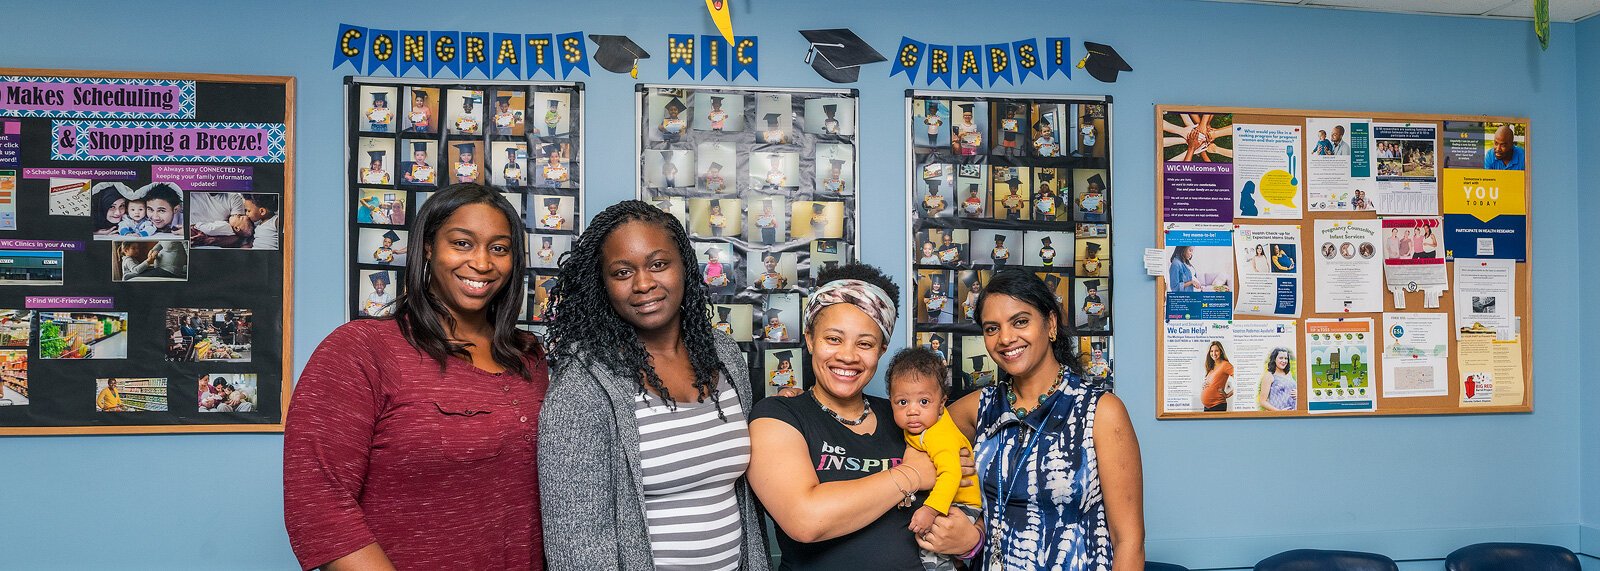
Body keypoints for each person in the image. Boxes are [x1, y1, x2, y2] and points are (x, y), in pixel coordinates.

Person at [285, 183, 549, 571]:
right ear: (427, 246)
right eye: (461, 243)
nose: (482, 263)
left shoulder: (529, 356)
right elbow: (319, 505)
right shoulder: (362, 349)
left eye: (499, 248)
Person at [539, 200, 768, 571]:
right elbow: (576, 543)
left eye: (659, 264)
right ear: (603, 285)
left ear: (685, 268)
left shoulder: (722, 354)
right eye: (622, 272)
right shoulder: (582, 386)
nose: (644, 283)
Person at [748, 263, 979, 570]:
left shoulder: (906, 416)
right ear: (810, 339)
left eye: (865, 343)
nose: (848, 355)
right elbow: (806, 519)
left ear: (882, 350)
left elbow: (967, 471)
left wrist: (972, 542)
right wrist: (912, 475)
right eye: (833, 339)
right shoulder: (779, 415)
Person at [945, 269, 1144, 569]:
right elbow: (919, 446)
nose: (1006, 338)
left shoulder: (1100, 411)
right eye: (991, 328)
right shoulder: (978, 409)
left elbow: (1128, 541)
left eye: (1020, 321)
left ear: (1050, 324)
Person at [886, 348, 983, 571]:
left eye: (923, 402)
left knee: (930, 546)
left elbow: (951, 474)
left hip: (963, 503)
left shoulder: (939, 435)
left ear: (941, 404)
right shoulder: (920, 426)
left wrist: (930, 510)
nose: (912, 411)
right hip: (947, 499)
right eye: (902, 402)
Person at [1201, 341, 1233, 412]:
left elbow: (1241, 380)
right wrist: (1204, 385)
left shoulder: (1225, 365)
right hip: (1207, 407)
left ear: (1221, 352)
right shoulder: (1212, 365)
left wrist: (1227, 395)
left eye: (1216, 351)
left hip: (1218, 405)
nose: (1214, 353)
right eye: (1211, 351)